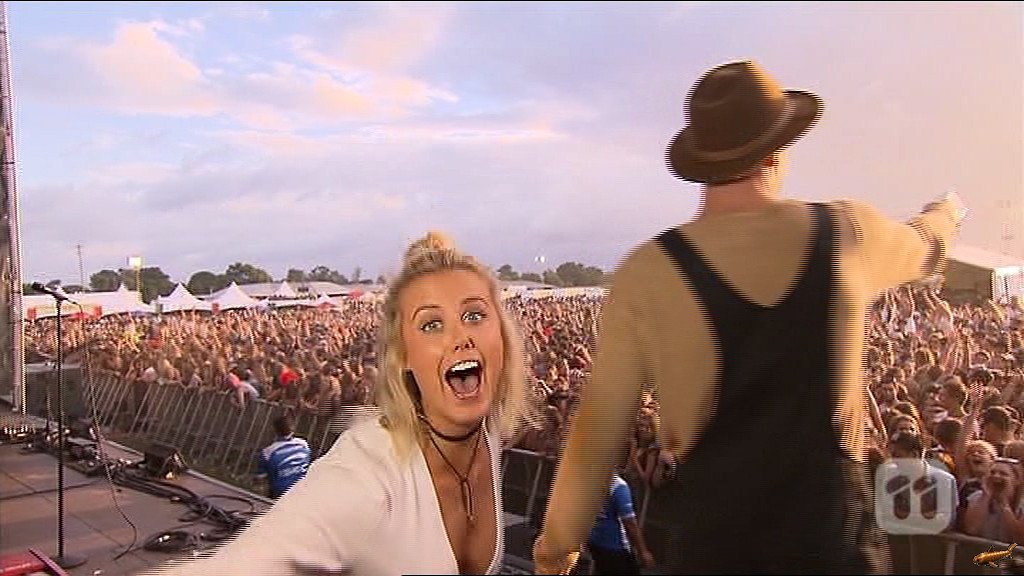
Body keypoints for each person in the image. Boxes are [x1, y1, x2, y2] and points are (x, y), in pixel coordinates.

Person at [533, 59, 966, 574]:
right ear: (777, 151)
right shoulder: (848, 232)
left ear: (700, 163)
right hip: (831, 540)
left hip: (715, 543)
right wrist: (947, 212)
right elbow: (925, 244)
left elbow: (597, 434)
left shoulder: (649, 272)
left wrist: (555, 551)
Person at [145, 231, 537, 576]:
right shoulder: (368, 468)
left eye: (474, 315)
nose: (461, 338)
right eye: (431, 324)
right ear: (402, 355)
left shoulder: (486, 432)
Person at [586, 461, 655, 575]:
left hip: (596, 542)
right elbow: (630, 523)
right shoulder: (618, 486)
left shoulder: (591, 482)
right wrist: (643, 551)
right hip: (615, 546)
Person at [255, 412, 311, 500]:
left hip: (281, 492)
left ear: (275, 430)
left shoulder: (268, 452)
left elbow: (260, 479)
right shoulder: (303, 444)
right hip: (304, 488)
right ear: (293, 429)